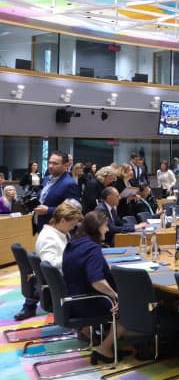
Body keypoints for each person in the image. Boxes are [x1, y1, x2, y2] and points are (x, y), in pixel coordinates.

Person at [61, 210, 127, 364]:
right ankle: (105, 349)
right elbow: (96, 281)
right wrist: (115, 296)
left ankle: (109, 342)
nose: (108, 229)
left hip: (73, 299)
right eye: (105, 226)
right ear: (97, 228)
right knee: (129, 307)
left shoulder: (73, 244)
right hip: (87, 302)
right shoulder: (92, 249)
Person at [34, 151, 81, 233]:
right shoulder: (47, 179)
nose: (50, 166)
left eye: (55, 163)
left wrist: (48, 210)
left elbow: (74, 210)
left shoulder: (69, 184)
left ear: (66, 165)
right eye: (50, 163)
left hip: (57, 229)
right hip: (41, 225)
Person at [36, 202, 83, 271]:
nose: (72, 228)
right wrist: (73, 256)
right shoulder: (48, 237)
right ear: (62, 221)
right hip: (62, 279)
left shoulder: (57, 233)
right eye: (72, 224)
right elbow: (49, 264)